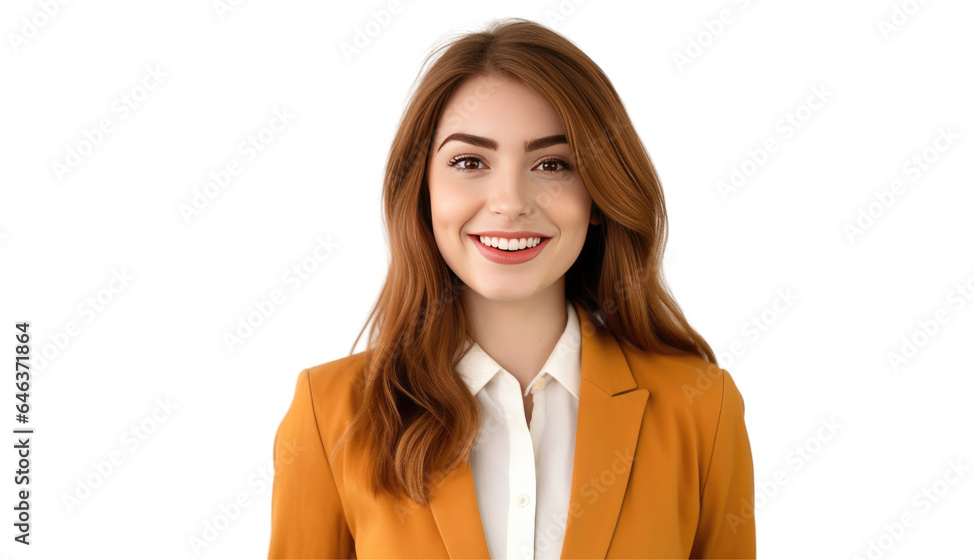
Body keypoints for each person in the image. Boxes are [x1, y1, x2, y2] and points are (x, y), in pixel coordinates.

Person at [268, 17, 754, 560]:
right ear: (422, 192)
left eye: (552, 164)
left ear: (599, 195)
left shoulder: (701, 409)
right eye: (469, 161)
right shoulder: (329, 413)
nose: (510, 201)